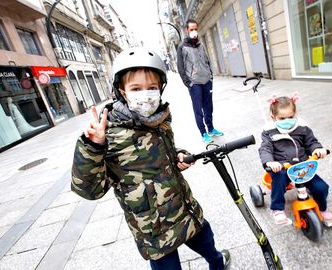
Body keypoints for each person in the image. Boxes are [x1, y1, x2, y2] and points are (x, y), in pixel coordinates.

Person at [71, 47, 230, 270]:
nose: (145, 95)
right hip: (153, 230)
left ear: (161, 88)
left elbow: (167, 154)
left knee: (208, 243)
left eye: (152, 88)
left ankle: (218, 263)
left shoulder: (160, 119)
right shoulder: (110, 133)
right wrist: (92, 146)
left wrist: (179, 156)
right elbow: (90, 190)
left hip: (183, 209)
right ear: (122, 90)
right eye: (136, 88)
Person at [258, 94, 332, 226]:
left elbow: (311, 142)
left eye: (290, 117)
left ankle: (322, 208)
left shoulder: (302, 128)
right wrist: (270, 162)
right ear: (273, 118)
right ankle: (277, 209)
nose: (287, 120)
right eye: (282, 118)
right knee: (278, 183)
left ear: (295, 114)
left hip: (303, 167)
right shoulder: (269, 132)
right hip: (282, 167)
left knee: (321, 187)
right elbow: (265, 148)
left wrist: (317, 149)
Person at [177, 19, 223, 144]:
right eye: (191, 29)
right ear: (187, 30)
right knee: (198, 110)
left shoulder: (200, 45)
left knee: (209, 107)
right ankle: (203, 133)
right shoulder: (182, 47)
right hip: (195, 83)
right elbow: (180, 67)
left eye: (195, 29)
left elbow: (207, 61)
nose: (194, 31)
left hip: (207, 81)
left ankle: (211, 129)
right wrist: (189, 83)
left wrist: (211, 76)